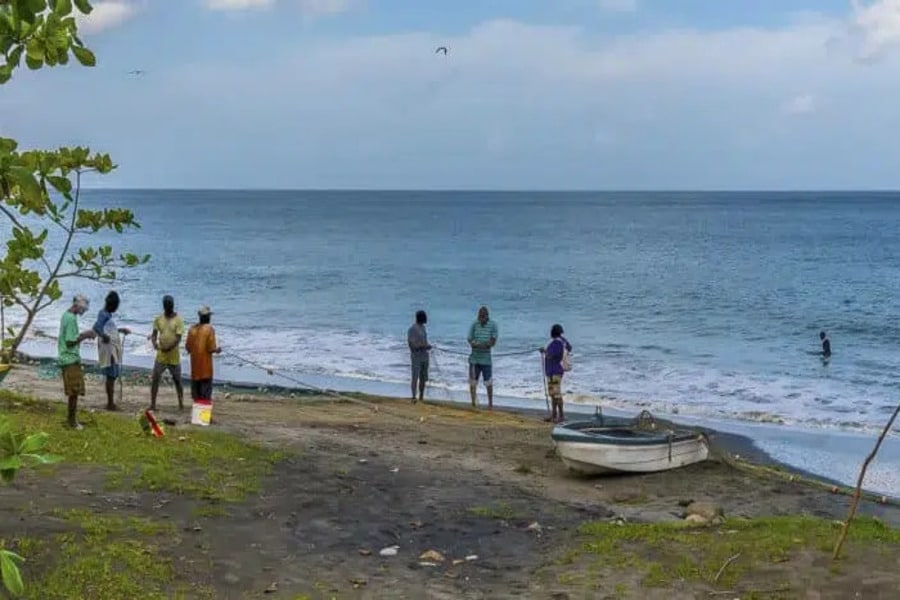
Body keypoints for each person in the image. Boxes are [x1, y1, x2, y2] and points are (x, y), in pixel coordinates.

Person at [58, 294, 97, 429]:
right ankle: (72, 422)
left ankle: (71, 420)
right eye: (84, 309)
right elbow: (70, 341)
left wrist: (83, 335)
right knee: (74, 392)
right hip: (70, 358)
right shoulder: (71, 319)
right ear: (78, 306)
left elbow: (71, 337)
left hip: (67, 357)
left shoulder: (66, 315)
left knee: (74, 391)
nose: (84, 311)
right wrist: (86, 335)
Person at [92, 291, 131, 411]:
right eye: (116, 306)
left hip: (111, 347)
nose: (116, 308)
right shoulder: (103, 314)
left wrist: (120, 330)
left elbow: (107, 329)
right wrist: (104, 336)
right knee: (111, 375)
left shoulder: (107, 314)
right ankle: (110, 403)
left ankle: (111, 402)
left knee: (113, 375)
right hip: (108, 349)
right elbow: (96, 327)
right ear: (112, 305)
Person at [149, 295, 185, 410]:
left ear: (173, 305)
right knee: (155, 379)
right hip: (161, 356)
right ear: (164, 306)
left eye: (170, 305)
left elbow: (178, 339)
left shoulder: (178, 320)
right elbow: (154, 334)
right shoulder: (158, 319)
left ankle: (181, 404)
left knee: (177, 381)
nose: (168, 307)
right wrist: (154, 343)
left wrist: (168, 348)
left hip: (174, 357)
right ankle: (153, 404)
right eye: (166, 305)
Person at [185, 305, 222, 403]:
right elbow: (211, 348)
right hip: (205, 370)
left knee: (196, 398)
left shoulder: (192, 329)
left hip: (195, 370)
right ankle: (204, 412)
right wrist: (217, 350)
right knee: (205, 398)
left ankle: (197, 412)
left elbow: (188, 347)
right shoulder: (209, 329)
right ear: (207, 317)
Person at [540, 324, 573, 423]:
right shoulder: (562, 341)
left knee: (556, 394)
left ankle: (560, 416)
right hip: (554, 371)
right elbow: (569, 348)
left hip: (554, 371)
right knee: (553, 393)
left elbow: (551, 356)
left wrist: (544, 351)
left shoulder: (557, 343)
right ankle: (554, 415)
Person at [467, 305, 498, 409]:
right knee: (473, 381)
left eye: (483, 317)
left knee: (488, 382)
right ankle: (473, 403)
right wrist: (474, 344)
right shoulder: (474, 324)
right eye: (480, 317)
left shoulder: (493, 325)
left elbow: (493, 342)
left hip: (486, 359)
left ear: (487, 316)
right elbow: (469, 339)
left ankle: (490, 404)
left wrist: (484, 345)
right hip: (474, 358)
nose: (481, 319)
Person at [407, 310, 432, 403]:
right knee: (415, 376)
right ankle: (414, 396)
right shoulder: (412, 329)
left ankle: (421, 396)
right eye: (425, 317)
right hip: (416, 357)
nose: (426, 318)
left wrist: (427, 346)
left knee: (423, 377)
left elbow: (424, 341)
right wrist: (423, 346)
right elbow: (411, 345)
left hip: (425, 356)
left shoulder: (423, 328)